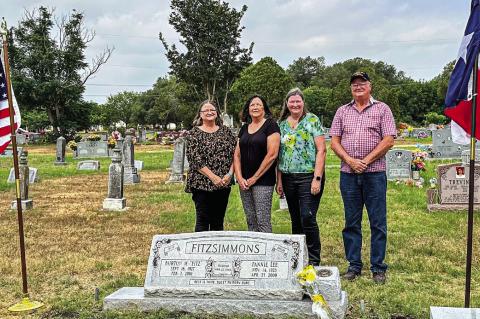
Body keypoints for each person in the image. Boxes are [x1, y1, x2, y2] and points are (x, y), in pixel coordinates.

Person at [330, 71, 396, 284]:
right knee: (351, 221)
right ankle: (354, 265)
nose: (358, 86)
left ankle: (378, 267)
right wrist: (350, 160)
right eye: (354, 84)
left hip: (374, 173)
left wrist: (365, 161)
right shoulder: (342, 111)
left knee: (378, 222)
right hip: (348, 174)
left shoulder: (382, 109)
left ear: (370, 86)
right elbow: (334, 141)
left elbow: (388, 140)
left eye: (362, 83)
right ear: (350, 88)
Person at [276, 88, 326, 266]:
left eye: (298, 101)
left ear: (303, 102)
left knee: (307, 216)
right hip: (288, 177)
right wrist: (279, 181)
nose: (295, 104)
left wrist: (317, 178)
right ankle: (298, 258)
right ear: (287, 104)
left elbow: (321, 150)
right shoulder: (281, 125)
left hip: (309, 176)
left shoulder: (312, 120)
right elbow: (279, 155)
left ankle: (314, 259)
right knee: (295, 219)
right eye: (292, 102)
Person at [185, 100, 236, 232]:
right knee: (202, 221)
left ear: (217, 113)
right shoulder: (193, 134)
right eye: (205, 110)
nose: (209, 112)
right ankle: (200, 252)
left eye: (212, 110)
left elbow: (236, 154)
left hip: (224, 183)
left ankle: (216, 252)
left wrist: (229, 175)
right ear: (200, 115)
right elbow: (195, 159)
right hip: (201, 183)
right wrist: (213, 177)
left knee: (218, 222)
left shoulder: (226, 132)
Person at [234, 95, 280, 232]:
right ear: (248, 109)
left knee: (262, 221)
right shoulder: (244, 128)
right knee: (251, 220)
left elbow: (272, 155)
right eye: (252, 105)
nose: (255, 107)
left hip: (263, 181)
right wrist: (239, 177)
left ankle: (267, 253)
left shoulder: (271, 125)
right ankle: (254, 253)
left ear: (264, 108)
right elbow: (236, 154)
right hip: (244, 182)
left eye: (258, 104)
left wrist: (255, 178)